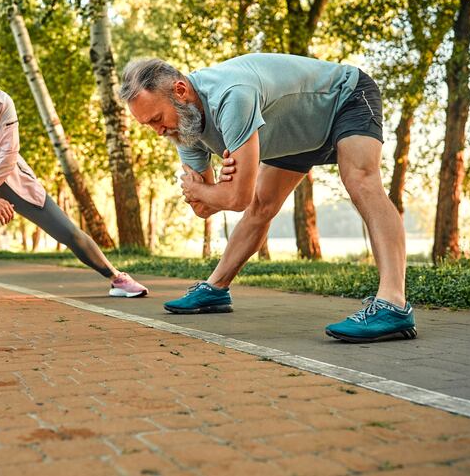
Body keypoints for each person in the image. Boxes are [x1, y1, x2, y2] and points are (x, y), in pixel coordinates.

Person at [119, 53, 415, 343]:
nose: (158, 131)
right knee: (262, 206)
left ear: (180, 91)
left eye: (157, 119)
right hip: (293, 133)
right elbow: (204, 209)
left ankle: (393, 304)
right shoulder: (184, 130)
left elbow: (236, 198)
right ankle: (215, 289)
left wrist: (207, 190)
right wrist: (214, 192)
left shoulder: (231, 96)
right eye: (149, 125)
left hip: (344, 99)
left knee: (361, 181)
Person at [0, 37, 148, 307]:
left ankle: (116, 277)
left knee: (67, 230)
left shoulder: (2, 103)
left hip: (9, 178)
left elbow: (8, 157)